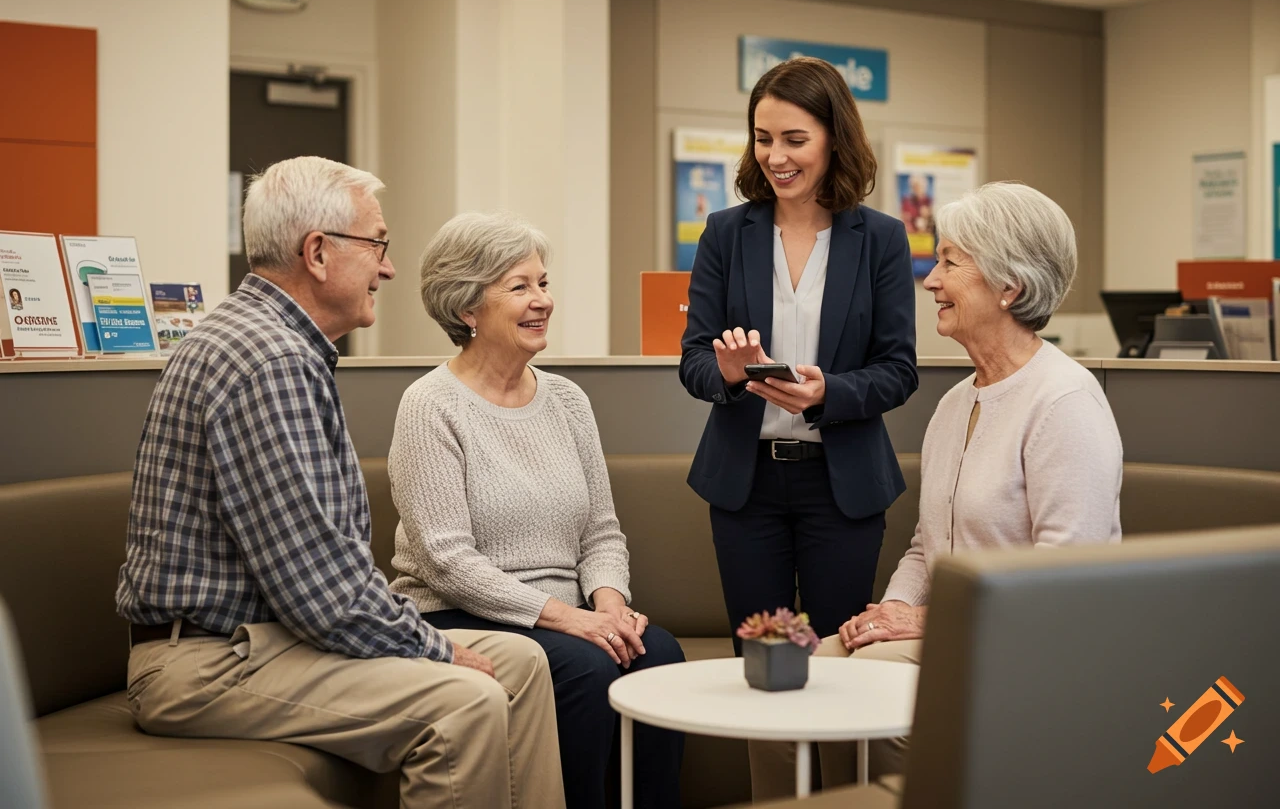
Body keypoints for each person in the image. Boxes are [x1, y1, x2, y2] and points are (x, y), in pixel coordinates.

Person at [115, 157, 565, 809]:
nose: (386, 267)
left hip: (271, 638)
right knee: (464, 701)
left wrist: (425, 643)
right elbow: (320, 589)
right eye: (377, 244)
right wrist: (431, 647)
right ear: (319, 253)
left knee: (522, 663)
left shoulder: (276, 344)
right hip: (205, 664)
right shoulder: (267, 360)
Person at [760, 182, 1124, 795]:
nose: (929, 279)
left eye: (951, 262)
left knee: (865, 681)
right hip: (953, 634)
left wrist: (920, 622)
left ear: (1010, 286)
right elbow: (929, 547)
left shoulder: (1064, 402)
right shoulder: (958, 402)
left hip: (1035, 647)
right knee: (791, 676)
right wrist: (892, 611)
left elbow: (1065, 579)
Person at [678, 56, 918, 799]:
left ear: (834, 139)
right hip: (745, 487)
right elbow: (692, 362)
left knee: (842, 674)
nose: (775, 157)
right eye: (761, 139)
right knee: (766, 671)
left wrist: (827, 390)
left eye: (794, 139)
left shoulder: (879, 238)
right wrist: (727, 371)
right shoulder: (726, 232)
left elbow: (898, 369)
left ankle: (844, 801)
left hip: (840, 486)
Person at [389, 212, 686, 809]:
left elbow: (601, 530)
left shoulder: (567, 400)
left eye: (543, 283)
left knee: (662, 655)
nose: (542, 301)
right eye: (520, 287)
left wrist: (610, 605)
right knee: (585, 670)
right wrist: (568, 619)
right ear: (467, 309)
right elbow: (446, 560)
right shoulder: (429, 406)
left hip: (568, 617)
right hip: (458, 614)